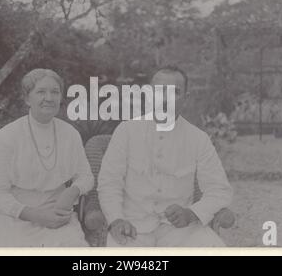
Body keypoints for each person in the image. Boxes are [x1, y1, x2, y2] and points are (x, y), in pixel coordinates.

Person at [97, 66, 233, 247]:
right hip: (131, 228)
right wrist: (116, 220)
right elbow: (109, 182)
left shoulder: (198, 139)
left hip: (180, 231)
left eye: (174, 92)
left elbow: (219, 190)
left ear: (186, 97)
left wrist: (192, 213)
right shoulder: (127, 131)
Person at [0, 69, 94, 247]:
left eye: (55, 92)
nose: (49, 97)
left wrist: (73, 190)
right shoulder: (8, 135)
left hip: (55, 214)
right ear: (27, 98)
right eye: (41, 92)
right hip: (11, 217)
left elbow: (86, 176)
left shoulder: (70, 134)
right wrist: (36, 215)